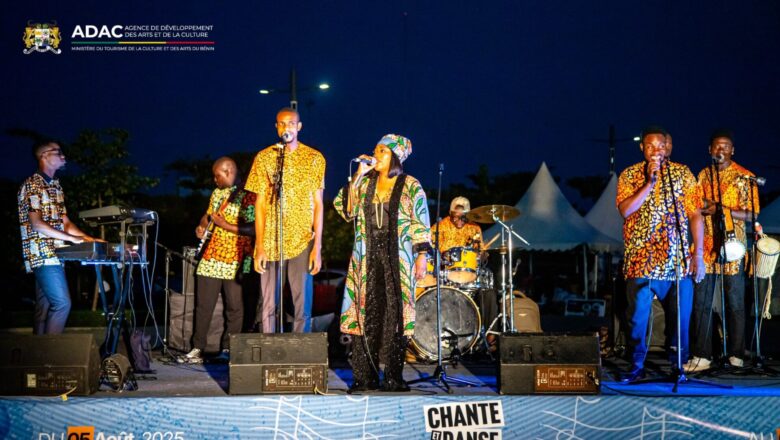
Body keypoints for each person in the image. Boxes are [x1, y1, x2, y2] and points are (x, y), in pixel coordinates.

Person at [334, 134, 432, 392]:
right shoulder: (365, 183)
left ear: (395, 157)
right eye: (375, 150)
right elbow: (345, 210)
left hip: (398, 255)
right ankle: (364, 377)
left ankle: (392, 377)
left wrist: (423, 255)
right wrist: (357, 175)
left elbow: (420, 221)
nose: (375, 155)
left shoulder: (410, 185)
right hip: (366, 254)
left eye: (382, 151)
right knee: (365, 312)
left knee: (395, 314)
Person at [616, 126, 705, 382]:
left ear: (668, 147)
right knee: (638, 319)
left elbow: (695, 214)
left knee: (680, 318)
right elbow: (625, 210)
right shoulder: (630, 174)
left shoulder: (682, 173)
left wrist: (697, 254)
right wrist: (649, 183)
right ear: (642, 148)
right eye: (650, 146)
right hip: (640, 260)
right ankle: (636, 364)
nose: (656, 150)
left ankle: (678, 365)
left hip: (676, 260)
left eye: (661, 146)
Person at [245, 107, 325, 333]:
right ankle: (269, 350)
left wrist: (317, 247)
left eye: (291, 123)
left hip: (301, 238)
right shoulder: (264, 157)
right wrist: (259, 245)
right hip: (270, 239)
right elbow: (260, 204)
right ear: (276, 127)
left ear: (299, 127)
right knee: (268, 302)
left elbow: (318, 204)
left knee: (302, 302)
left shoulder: (314, 158)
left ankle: (302, 355)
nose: (286, 127)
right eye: (282, 123)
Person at [686, 130, 759, 372]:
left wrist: (720, 209)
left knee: (735, 302)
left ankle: (736, 354)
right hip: (706, 246)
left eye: (726, 146)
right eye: (717, 146)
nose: (721, 150)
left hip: (733, 247)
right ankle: (702, 355)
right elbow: (695, 206)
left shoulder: (744, 176)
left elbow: (751, 213)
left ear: (732, 150)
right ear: (710, 150)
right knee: (702, 301)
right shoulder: (703, 175)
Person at [18, 139, 100, 334]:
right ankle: (52, 357)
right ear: (44, 156)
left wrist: (91, 240)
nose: (63, 155)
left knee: (43, 309)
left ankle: (37, 357)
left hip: (56, 254)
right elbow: (36, 223)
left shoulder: (55, 187)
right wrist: (72, 239)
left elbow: (66, 223)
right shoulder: (32, 184)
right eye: (58, 152)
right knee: (62, 304)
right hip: (43, 255)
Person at [183, 157, 256, 363]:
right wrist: (201, 226)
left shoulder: (248, 196)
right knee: (203, 306)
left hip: (237, 259)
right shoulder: (217, 194)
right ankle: (197, 347)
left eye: (217, 175)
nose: (215, 180)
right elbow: (207, 217)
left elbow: (253, 229)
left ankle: (228, 348)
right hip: (211, 257)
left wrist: (225, 225)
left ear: (228, 171)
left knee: (235, 308)